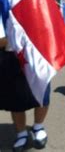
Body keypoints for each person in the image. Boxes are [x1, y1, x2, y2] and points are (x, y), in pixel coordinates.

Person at [0, 18, 50, 151]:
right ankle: (21, 133)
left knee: (42, 94)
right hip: (11, 57)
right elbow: (1, 41)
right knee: (15, 100)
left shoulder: (35, 0)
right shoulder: (3, 7)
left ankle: (38, 126)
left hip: (37, 54)